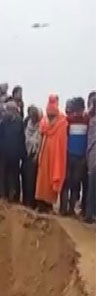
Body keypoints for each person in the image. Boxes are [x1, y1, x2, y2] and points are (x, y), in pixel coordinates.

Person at [35, 95, 68, 212]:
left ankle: (42, 203)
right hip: (54, 153)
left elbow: (41, 134)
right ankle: (47, 204)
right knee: (49, 175)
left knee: (44, 176)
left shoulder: (45, 120)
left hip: (46, 151)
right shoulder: (62, 121)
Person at [60, 97, 89, 216]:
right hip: (78, 157)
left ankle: (64, 209)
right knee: (73, 185)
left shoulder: (68, 120)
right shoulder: (86, 120)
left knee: (68, 184)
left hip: (70, 156)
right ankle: (69, 210)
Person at [0, 101, 26, 202]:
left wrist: (21, 153)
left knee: (14, 176)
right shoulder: (2, 122)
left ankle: (14, 197)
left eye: (8, 110)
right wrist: (0, 148)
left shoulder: (20, 122)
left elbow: (22, 138)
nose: (6, 112)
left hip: (15, 154)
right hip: (4, 153)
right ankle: (3, 195)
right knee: (3, 174)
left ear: (14, 110)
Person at [21, 106, 42, 208]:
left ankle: (32, 203)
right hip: (26, 154)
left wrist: (37, 155)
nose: (32, 117)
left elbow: (40, 143)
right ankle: (25, 201)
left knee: (33, 181)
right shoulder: (26, 124)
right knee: (25, 178)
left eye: (34, 115)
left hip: (35, 156)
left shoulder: (41, 127)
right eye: (30, 115)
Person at [85, 92, 96, 223]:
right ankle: (90, 213)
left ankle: (89, 214)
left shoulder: (91, 120)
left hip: (93, 157)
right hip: (93, 156)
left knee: (92, 186)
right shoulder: (92, 120)